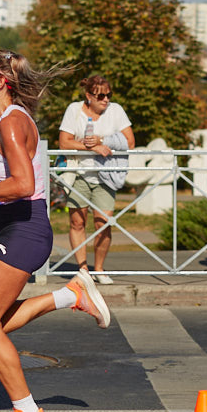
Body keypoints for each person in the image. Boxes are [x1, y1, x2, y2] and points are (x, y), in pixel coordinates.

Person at [0, 48, 111, 412]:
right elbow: (7, 182)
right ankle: (70, 296)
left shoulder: (12, 122)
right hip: (11, 229)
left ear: (0, 82)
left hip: (25, 229)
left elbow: (23, 185)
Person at [57, 75, 135, 284]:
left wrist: (102, 141)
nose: (106, 99)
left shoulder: (116, 111)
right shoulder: (74, 110)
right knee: (77, 222)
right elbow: (64, 143)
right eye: (101, 96)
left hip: (106, 175)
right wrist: (92, 148)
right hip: (78, 174)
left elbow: (130, 142)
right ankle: (83, 270)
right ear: (88, 95)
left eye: (109, 95)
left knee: (103, 224)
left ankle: (99, 268)